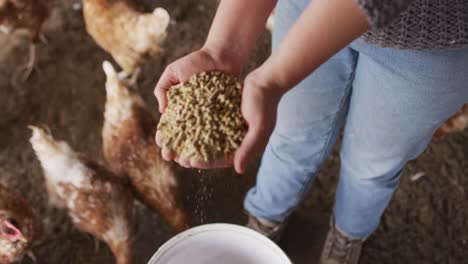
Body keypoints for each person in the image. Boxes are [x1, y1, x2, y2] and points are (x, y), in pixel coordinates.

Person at [154, 0, 468, 263]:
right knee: (290, 132)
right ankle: (266, 215)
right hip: (307, 7)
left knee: (372, 163)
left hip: (432, 43)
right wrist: (222, 47)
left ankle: (349, 233)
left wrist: (272, 80)